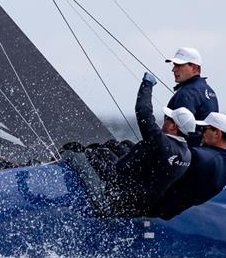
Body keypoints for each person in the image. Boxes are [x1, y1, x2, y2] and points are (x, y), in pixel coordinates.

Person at [64, 73, 195, 217]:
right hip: (139, 200)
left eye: (167, 119)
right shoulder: (187, 155)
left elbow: (143, 112)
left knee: (76, 151)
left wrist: (147, 84)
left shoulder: (162, 144)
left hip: (115, 198)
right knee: (121, 144)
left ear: (174, 127)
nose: (164, 120)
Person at [155, 111, 226, 220]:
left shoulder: (197, 155)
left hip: (152, 206)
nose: (201, 133)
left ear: (217, 133)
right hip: (169, 213)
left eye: (204, 129)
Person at [164, 47, 218, 145]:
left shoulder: (187, 92)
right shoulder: (210, 91)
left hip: (188, 151)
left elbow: (175, 132)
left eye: (178, 65)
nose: (173, 69)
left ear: (194, 67)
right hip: (205, 151)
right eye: (174, 65)